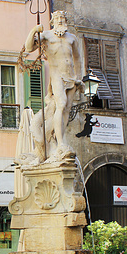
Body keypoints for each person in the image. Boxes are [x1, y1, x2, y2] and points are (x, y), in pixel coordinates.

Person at [23, 10, 84, 163]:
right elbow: (28, 47)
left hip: (71, 77)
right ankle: (61, 144)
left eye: (63, 18)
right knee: (61, 104)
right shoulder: (47, 36)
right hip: (57, 75)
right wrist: (34, 30)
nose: (60, 21)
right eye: (57, 19)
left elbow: (77, 59)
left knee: (66, 110)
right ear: (52, 21)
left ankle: (59, 140)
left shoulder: (72, 38)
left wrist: (79, 78)